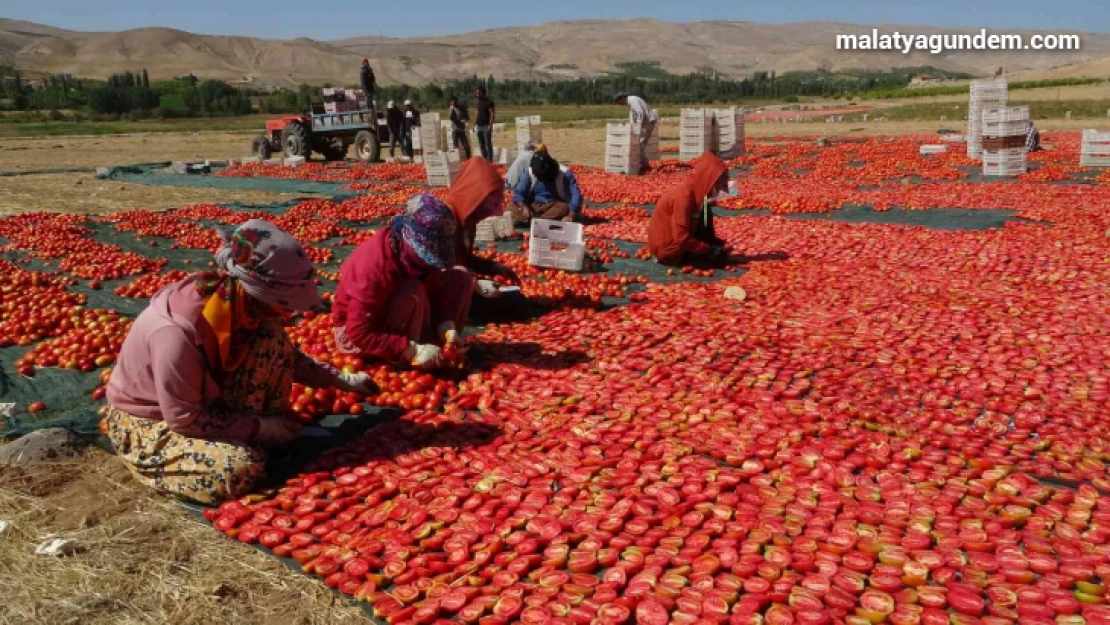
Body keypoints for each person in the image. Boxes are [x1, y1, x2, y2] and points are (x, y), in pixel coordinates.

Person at [103, 220, 378, 504]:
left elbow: (287, 357)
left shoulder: (241, 306)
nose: (288, 314)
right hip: (155, 421)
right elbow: (184, 418)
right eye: (283, 304)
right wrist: (263, 428)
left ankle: (255, 439)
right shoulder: (176, 333)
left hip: (201, 405)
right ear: (258, 293)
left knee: (271, 338)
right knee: (237, 469)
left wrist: (340, 379)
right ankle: (151, 464)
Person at [333, 202, 470, 370]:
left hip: (397, 314)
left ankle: (440, 346)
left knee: (460, 276)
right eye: (427, 254)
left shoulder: (413, 257)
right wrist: (410, 348)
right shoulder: (373, 267)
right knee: (412, 290)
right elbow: (358, 334)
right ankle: (409, 355)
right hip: (356, 336)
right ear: (410, 243)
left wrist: (446, 323)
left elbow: (435, 285)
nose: (430, 261)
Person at [647, 153, 730, 266]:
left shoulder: (701, 196)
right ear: (709, 181)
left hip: (680, 241)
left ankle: (703, 249)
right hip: (669, 250)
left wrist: (714, 242)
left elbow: (704, 224)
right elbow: (681, 238)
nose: (725, 191)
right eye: (722, 186)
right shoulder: (684, 197)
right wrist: (708, 249)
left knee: (706, 209)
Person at [511, 145, 583, 224]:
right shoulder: (531, 172)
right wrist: (524, 207)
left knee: (564, 208)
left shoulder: (564, 173)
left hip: (554, 204)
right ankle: (541, 220)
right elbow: (519, 192)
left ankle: (534, 221)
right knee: (512, 206)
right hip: (534, 204)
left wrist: (571, 214)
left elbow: (576, 194)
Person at [615, 93, 658, 174]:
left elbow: (640, 112)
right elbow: (635, 115)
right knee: (639, 145)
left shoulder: (632, 100)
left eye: (620, 102)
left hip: (648, 121)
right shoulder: (631, 102)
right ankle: (644, 165)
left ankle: (645, 166)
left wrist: (637, 125)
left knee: (639, 145)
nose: (621, 105)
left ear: (622, 98)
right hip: (645, 122)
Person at [474, 86, 496, 160]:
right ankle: (484, 159)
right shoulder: (478, 103)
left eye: (478, 93)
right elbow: (477, 113)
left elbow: (492, 114)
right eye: (476, 93)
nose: (477, 94)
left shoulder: (489, 102)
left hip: (486, 126)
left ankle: (489, 161)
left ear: (483, 93)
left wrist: (490, 126)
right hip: (479, 126)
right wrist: (474, 124)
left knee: (487, 144)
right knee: (481, 144)